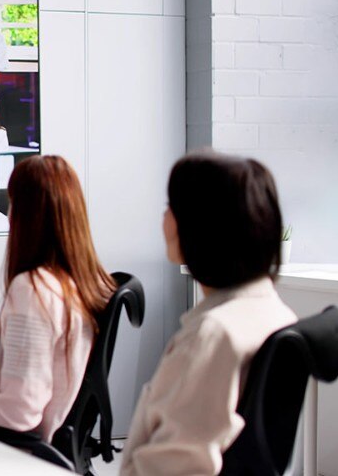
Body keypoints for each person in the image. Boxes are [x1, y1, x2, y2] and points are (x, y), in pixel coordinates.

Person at [119, 152, 297, 476]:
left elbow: (173, 466)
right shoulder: (275, 312)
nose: (164, 219)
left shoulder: (213, 335)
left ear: (201, 225)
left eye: (170, 208)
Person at [0, 155, 115, 443]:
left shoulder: (35, 289)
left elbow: (19, 412)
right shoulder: (79, 282)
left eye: (13, 203)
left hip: (18, 449)